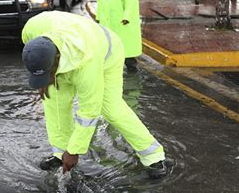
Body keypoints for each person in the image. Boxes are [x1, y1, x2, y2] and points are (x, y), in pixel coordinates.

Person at [21, 10, 167, 179]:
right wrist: (43, 77)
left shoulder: (87, 67)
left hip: (106, 54)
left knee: (111, 108)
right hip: (66, 50)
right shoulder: (33, 28)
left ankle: (153, 155)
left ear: (57, 58)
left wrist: (75, 150)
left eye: (50, 72)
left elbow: (89, 112)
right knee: (54, 101)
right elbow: (33, 54)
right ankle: (60, 154)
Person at [96, 0, 142, 73]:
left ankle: (133, 72)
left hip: (122, 24)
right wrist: (98, 18)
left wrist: (127, 17)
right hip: (108, 24)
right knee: (110, 50)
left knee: (126, 50)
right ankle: (113, 73)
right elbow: (100, 3)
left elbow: (131, 2)